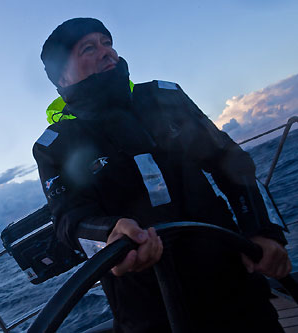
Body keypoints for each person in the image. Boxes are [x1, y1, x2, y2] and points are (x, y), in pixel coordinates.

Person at [33, 18, 291, 332]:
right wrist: (109, 234)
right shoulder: (54, 146)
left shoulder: (165, 99)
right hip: (148, 308)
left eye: (108, 42)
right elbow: (69, 220)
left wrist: (260, 230)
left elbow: (230, 162)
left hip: (230, 277)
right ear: (62, 76)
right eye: (89, 48)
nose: (107, 52)